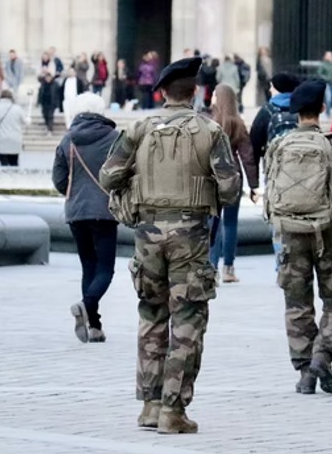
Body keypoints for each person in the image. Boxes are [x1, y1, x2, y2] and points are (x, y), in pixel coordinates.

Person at [100, 56, 241, 435]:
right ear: (194, 91)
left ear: (161, 92)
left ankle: (148, 404)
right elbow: (230, 189)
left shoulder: (140, 128)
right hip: (191, 238)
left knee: (151, 317)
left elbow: (109, 175)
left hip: (147, 236)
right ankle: (173, 410)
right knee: (188, 321)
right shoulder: (210, 131)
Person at [263, 79, 332, 396]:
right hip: (329, 234)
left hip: (290, 236)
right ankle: (323, 356)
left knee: (297, 304)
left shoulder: (279, 146)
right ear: (322, 109)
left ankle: (304, 371)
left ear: (295, 112)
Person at [52, 92, 120, 344]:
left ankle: (94, 326)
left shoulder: (67, 139)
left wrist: (75, 194)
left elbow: (58, 179)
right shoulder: (114, 138)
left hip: (76, 211)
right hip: (104, 210)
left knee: (88, 266)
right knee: (105, 268)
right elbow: (124, 172)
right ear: (102, 112)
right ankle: (86, 304)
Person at [207, 84, 259, 284]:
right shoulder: (237, 122)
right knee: (230, 223)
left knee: (213, 222)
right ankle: (229, 268)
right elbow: (248, 156)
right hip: (234, 175)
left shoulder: (209, 121)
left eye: (213, 94)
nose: (211, 96)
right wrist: (254, 185)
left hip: (212, 175)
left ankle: (212, 268)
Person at [249, 72, 301, 166]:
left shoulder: (267, 110)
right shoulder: (302, 109)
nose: (270, 90)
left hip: (274, 168)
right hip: (299, 165)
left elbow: (254, 142)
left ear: (278, 88)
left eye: (272, 86)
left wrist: (254, 176)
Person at [0, 90, 27, 166]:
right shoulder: (18, 109)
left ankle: (5, 176)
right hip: (15, 139)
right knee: (14, 162)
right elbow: (25, 122)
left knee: (3, 162)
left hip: (1, 139)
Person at [316, 51, 332, 115]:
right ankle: (328, 111)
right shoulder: (323, 64)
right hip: (327, 83)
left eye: (331, 55)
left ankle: (330, 106)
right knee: (328, 98)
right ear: (325, 57)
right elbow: (319, 73)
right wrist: (326, 78)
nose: (330, 57)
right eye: (328, 55)